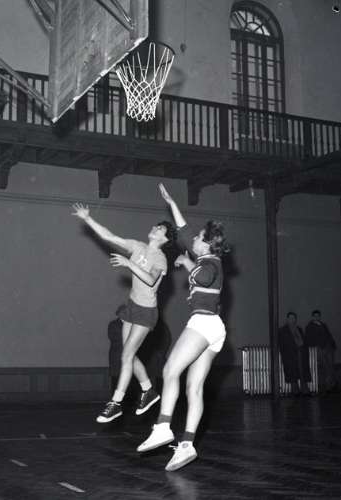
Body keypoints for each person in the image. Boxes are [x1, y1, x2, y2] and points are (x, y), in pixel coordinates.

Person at [137, 183, 229, 472]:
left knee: (169, 371)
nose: (193, 239)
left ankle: (163, 427)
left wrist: (188, 263)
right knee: (194, 387)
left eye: (199, 238)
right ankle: (187, 444)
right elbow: (184, 229)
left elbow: (203, 276)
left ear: (206, 244)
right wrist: (172, 203)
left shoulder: (211, 263)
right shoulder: (205, 255)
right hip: (215, 330)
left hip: (203, 323)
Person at [72, 203, 175, 423]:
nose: (155, 228)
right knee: (127, 355)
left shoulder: (160, 258)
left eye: (160, 229)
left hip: (146, 311)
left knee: (127, 355)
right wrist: (88, 219)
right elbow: (110, 236)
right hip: (132, 306)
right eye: (156, 225)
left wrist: (129, 263)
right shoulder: (138, 246)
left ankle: (115, 403)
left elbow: (150, 280)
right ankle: (148, 390)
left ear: (165, 240)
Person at [278, 312, 311, 396]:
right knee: (292, 372)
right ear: (287, 319)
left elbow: (304, 341)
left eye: (293, 318)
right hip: (290, 355)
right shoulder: (283, 330)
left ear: (296, 319)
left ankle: (304, 389)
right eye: (290, 318)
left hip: (300, 353)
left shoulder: (299, 329)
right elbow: (282, 344)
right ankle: (295, 391)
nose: (292, 320)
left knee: (302, 371)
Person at [305, 310, 337, 393]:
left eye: (318, 316)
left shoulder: (324, 325)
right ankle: (324, 386)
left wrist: (332, 345)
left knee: (330, 366)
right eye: (315, 316)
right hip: (318, 349)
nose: (317, 317)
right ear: (312, 317)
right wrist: (316, 346)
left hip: (328, 348)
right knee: (323, 367)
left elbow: (329, 335)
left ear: (320, 316)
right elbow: (308, 339)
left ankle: (330, 385)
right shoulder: (309, 326)